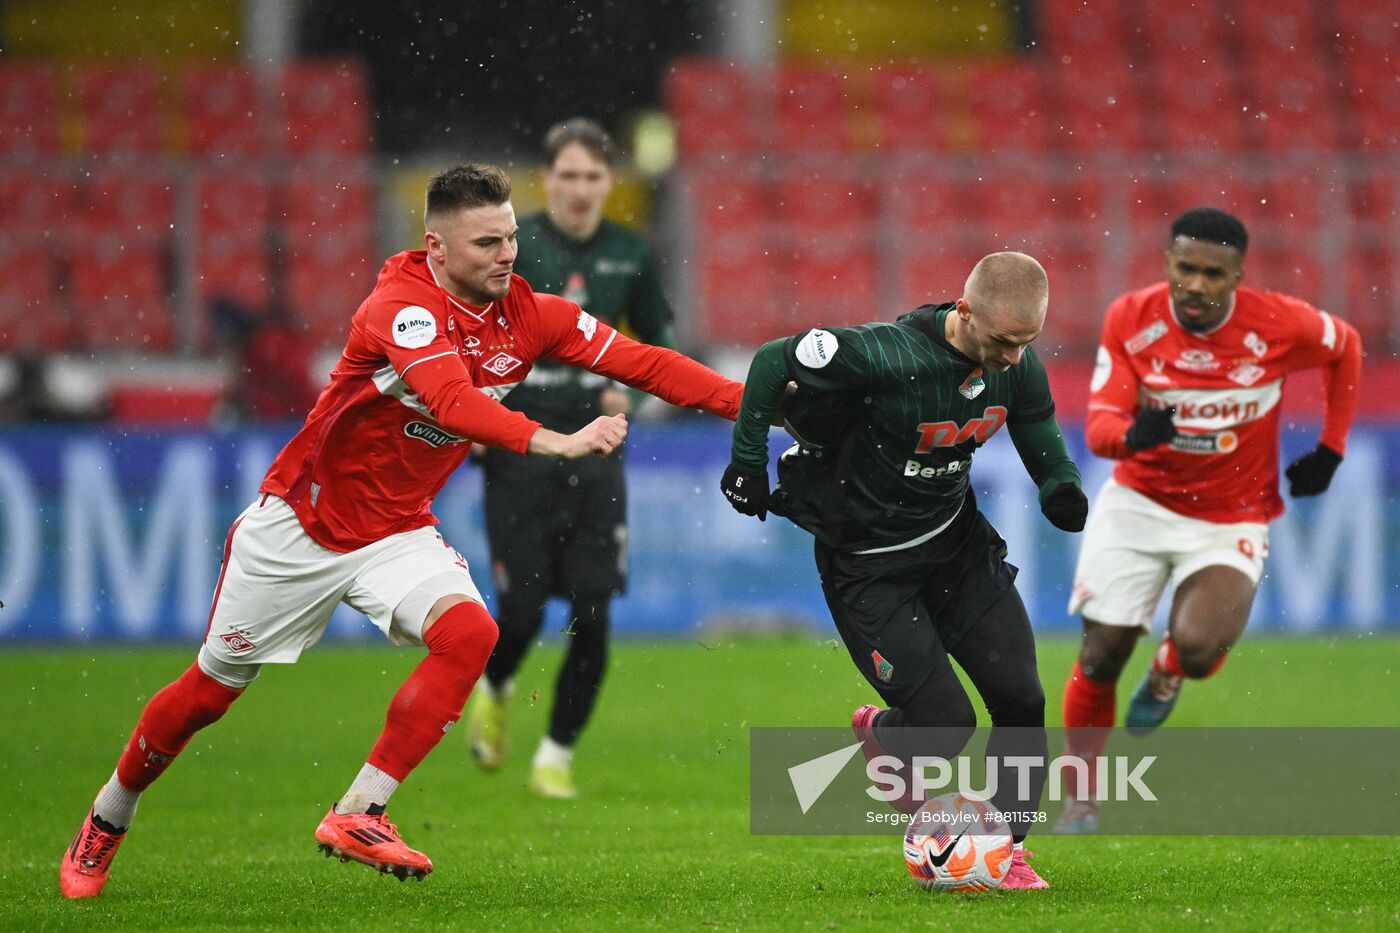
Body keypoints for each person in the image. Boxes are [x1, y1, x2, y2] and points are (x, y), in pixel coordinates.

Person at [59, 163, 743, 898]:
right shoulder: (401, 307)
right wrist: (554, 439)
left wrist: (759, 403)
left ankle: (360, 810)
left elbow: (646, 363)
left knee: (471, 634)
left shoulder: (531, 314)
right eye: (486, 243)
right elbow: (450, 401)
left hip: (395, 534)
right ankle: (108, 814)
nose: (506, 254)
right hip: (301, 525)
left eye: (511, 236)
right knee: (208, 693)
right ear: (437, 247)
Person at [720, 252, 1088, 890]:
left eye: (1027, 342)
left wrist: (1059, 481)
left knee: (1022, 699)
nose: (1012, 357)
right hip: (868, 567)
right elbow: (773, 360)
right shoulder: (884, 354)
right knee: (947, 729)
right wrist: (749, 460)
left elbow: (1034, 417)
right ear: (964, 312)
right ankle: (886, 738)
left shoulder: (1017, 361)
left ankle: (1009, 847)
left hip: (956, 548)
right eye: (1002, 341)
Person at [1055, 208, 1363, 834]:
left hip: (1231, 514)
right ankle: (1080, 801)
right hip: (1139, 503)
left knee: (1197, 648)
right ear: (1168, 264)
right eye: (1185, 268)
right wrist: (1134, 434)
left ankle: (1169, 670)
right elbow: (1100, 428)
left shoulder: (1280, 323)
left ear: (1237, 277)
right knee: (1102, 652)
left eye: (1212, 274)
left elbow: (1348, 346)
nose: (1196, 284)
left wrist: (1331, 447)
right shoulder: (1130, 319)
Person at [467, 119, 675, 799]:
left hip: (597, 450)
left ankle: (555, 753)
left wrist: (630, 403)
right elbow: (458, 325)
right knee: (521, 610)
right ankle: (496, 685)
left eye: (593, 176)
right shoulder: (510, 247)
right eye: (569, 175)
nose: (581, 188)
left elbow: (663, 344)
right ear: (546, 179)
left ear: (611, 182)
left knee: (593, 613)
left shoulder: (631, 253)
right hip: (520, 441)